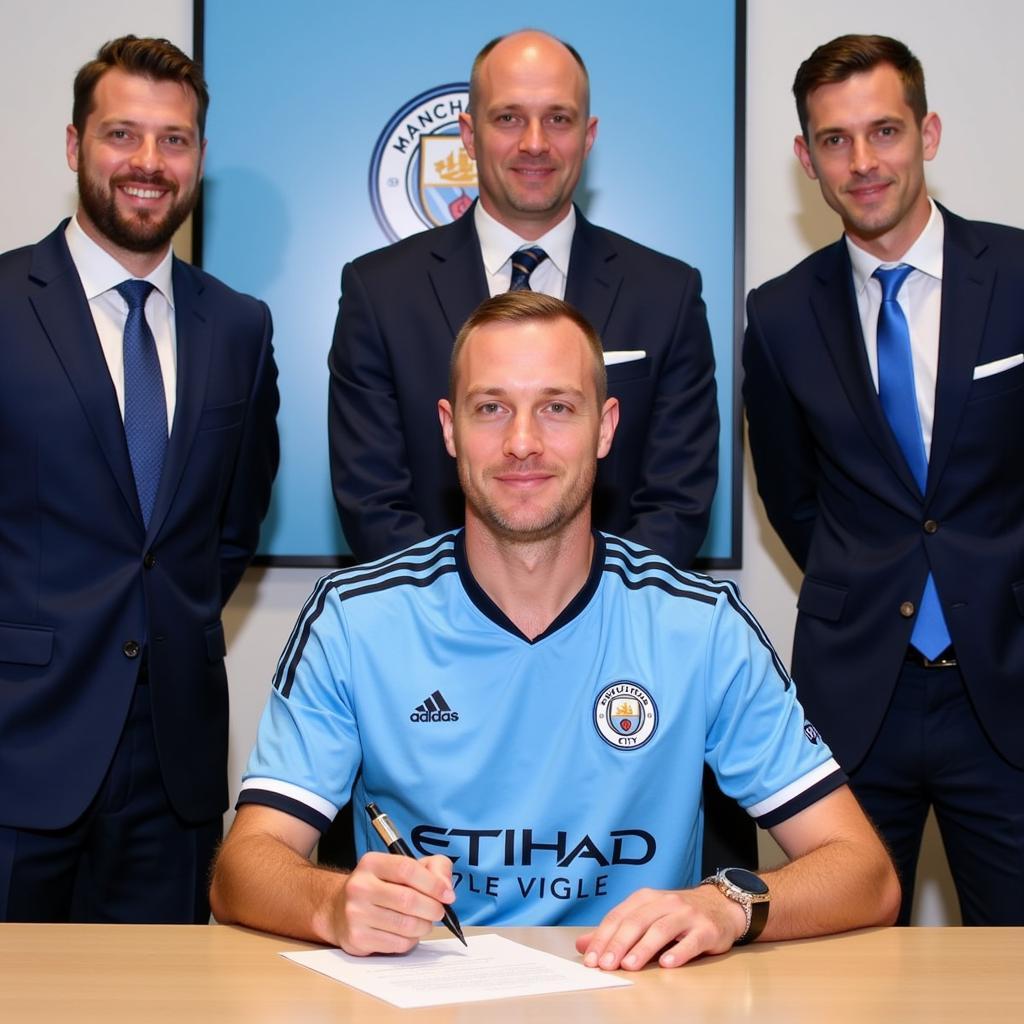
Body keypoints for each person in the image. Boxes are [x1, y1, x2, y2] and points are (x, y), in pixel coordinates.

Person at [212, 292, 898, 970]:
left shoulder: (699, 625)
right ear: (449, 429)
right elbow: (243, 867)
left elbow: (865, 874)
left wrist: (728, 905)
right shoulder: (353, 620)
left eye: (557, 408)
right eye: (492, 408)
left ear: (605, 427)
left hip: (637, 999)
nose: (522, 443)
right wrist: (330, 904)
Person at [327, 27, 750, 874]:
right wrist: (476, 637)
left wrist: (584, 636)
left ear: (588, 137)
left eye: (558, 119)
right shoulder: (378, 289)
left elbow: (678, 496)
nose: (532, 143)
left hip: (625, 683)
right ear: (467, 133)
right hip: (435, 680)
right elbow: (372, 496)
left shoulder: (668, 291)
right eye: (508, 118)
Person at [743, 34, 1024, 925]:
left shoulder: (1020, 276)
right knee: (842, 969)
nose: (863, 163)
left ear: (928, 133)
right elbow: (792, 496)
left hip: (1010, 686)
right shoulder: (780, 314)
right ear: (806, 158)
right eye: (835, 140)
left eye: (885, 131)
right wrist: (869, 577)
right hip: (858, 692)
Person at [0, 36, 279, 923]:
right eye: (124, 135)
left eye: (175, 140)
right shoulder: (4, 304)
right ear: (77, 145)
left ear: (199, 157)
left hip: (176, 768)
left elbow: (229, 531)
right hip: (17, 756)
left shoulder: (239, 326)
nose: (149, 164)